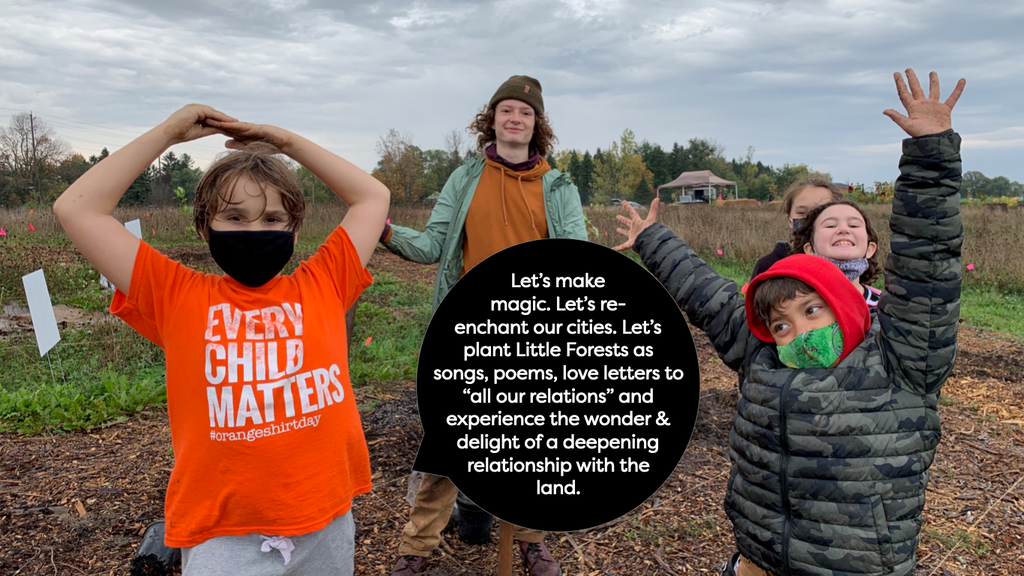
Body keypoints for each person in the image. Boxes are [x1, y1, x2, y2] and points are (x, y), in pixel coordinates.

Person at [614, 68, 964, 576]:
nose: (796, 331)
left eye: (812, 310)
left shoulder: (900, 360)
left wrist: (931, 156)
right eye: (780, 323)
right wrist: (654, 239)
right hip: (759, 558)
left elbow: (929, 266)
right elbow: (705, 293)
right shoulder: (763, 354)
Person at [53, 104, 390, 576]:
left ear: (295, 230)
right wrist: (169, 133)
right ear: (203, 227)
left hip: (326, 523)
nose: (255, 231)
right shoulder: (177, 296)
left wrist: (285, 142)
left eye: (274, 219)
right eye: (234, 217)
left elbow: (372, 197)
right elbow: (77, 207)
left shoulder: (324, 282)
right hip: (225, 536)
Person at [383, 75, 586, 576]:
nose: (516, 119)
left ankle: (531, 542)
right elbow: (433, 246)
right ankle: (416, 549)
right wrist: (381, 229)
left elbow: (577, 258)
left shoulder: (557, 186)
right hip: (469, 330)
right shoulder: (465, 178)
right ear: (491, 119)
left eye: (526, 113)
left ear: (538, 125)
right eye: (507, 110)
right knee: (448, 443)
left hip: (536, 331)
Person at [790, 200, 883, 307]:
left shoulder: (888, 308)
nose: (843, 230)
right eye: (831, 226)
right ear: (809, 249)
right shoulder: (792, 306)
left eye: (854, 225)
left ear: (870, 249)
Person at [750, 178, 844, 279]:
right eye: (802, 213)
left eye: (821, 211)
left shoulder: (850, 265)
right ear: (789, 220)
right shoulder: (768, 266)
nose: (811, 218)